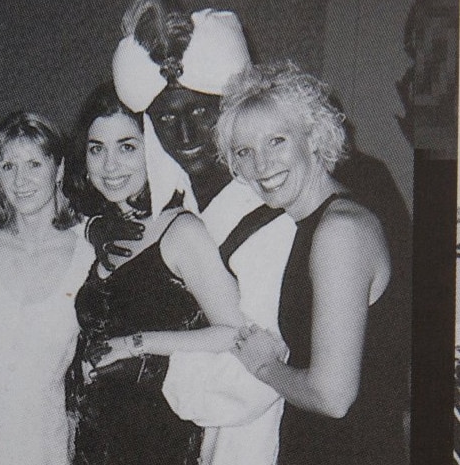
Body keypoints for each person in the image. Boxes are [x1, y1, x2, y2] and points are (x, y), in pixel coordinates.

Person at [107, 2, 296, 462]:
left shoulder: (267, 220)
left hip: (254, 439)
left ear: (228, 111)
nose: (187, 132)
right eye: (168, 120)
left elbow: (260, 369)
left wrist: (154, 367)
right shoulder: (185, 209)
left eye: (201, 112)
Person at [64, 82, 267, 465]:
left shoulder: (181, 230)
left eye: (127, 146)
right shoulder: (104, 230)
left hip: (159, 441)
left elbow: (235, 333)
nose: (110, 166)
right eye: (97, 149)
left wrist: (136, 343)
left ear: (152, 151)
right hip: (96, 443)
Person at [220, 61, 408, 464]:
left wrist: (265, 367)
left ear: (314, 137)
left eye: (276, 141)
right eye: (245, 152)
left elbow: (333, 396)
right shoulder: (316, 221)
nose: (262, 165)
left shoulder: (339, 230)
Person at [0, 112, 95, 465]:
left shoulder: (90, 253)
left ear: (58, 170)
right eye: (8, 166)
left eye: (34, 164)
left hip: (41, 445)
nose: (21, 180)